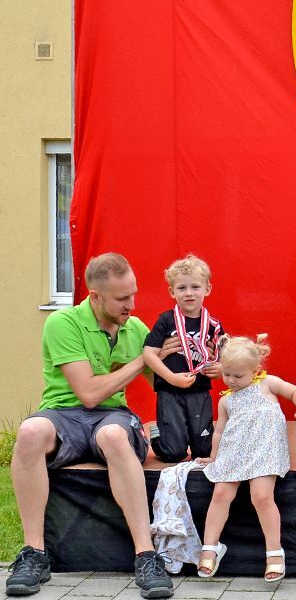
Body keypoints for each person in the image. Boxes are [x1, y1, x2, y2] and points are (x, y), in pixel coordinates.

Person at [6, 253, 174, 598]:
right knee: (30, 431)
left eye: (133, 294)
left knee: (114, 435)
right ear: (95, 296)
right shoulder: (63, 323)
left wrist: (210, 359)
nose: (131, 305)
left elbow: (167, 384)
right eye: (122, 298)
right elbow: (88, 394)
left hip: (113, 417)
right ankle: (34, 553)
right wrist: (144, 358)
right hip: (63, 413)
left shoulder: (136, 329)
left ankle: (146, 555)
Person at [195, 336, 296, 581]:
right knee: (221, 493)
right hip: (234, 452)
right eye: (227, 374)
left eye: (238, 376)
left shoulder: (267, 384)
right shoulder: (226, 400)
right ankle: (210, 546)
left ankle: (274, 552)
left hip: (265, 451)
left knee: (261, 496)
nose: (231, 380)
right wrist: (214, 457)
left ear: (255, 370)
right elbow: (219, 431)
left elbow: (294, 391)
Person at [143, 255, 226, 462]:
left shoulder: (213, 325)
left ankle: (191, 437)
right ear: (172, 292)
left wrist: (221, 369)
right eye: (182, 288)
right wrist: (171, 378)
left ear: (207, 289)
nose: (189, 293)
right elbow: (148, 355)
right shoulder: (166, 320)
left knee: (204, 450)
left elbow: (228, 356)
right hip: (170, 391)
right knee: (173, 453)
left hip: (200, 390)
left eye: (195, 287)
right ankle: (158, 434)